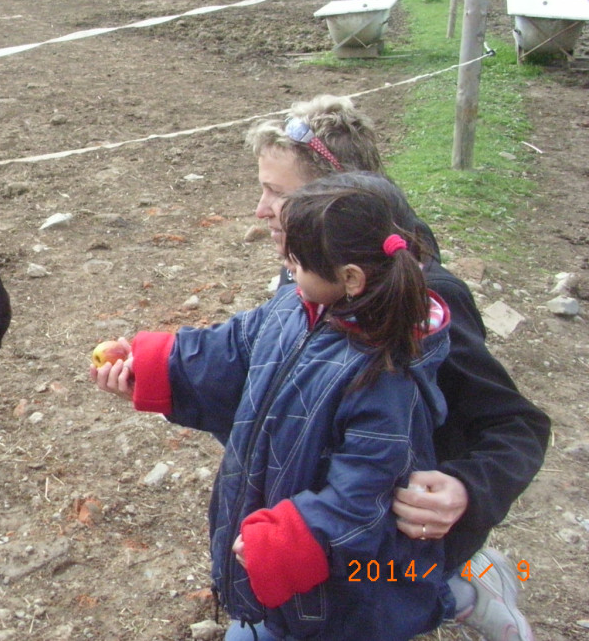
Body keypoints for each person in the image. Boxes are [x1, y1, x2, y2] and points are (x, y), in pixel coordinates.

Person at [93, 173, 453, 640]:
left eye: (296, 262)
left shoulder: (384, 375)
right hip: (277, 568)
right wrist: (154, 365)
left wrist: (291, 542)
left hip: (343, 593)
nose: (287, 268)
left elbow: (365, 493)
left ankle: (465, 590)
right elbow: (232, 348)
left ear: (350, 278)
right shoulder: (295, 306)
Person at [246, 94, 549, 641]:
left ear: (340, 203)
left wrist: (465, 490)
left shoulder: (425, 306)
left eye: (278, 194)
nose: (261, 210)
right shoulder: (307, 276)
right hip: (315, 520)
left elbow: (517, 426)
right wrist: (168, 374)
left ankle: (463, 588)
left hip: (377, 542)